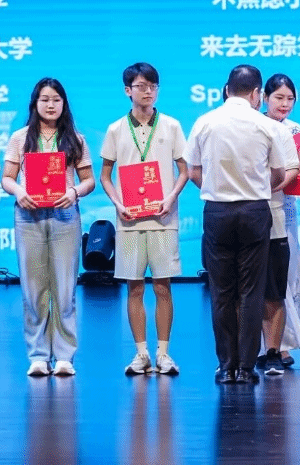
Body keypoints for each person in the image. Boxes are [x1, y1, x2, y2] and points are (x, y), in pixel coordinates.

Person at [187, 64, 290, 385]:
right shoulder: (266, 125)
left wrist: (217, 188)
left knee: (221, 291)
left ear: (227, 90)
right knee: (251, 290)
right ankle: (245, 367)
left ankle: (226, 366)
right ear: (257, 93)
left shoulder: (204, 122)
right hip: (254, 211)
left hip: (217, 211)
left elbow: (193, 171)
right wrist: (253, 187)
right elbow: (278, 173)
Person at [1, 77, 97, 377]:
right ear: (35, 103)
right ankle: (39, 356)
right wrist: (19, 192)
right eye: (45, 99)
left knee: (65, 288)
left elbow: (89, 181)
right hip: (28, 217)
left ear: (64, 104)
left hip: (64, 217)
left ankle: (65, 356)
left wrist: (74, 192)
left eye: (56, 99)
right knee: (33, 289)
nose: (51, 105)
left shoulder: (75, 139)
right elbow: (7, 178)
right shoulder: (20, 138)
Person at [98, 62, 189, 376]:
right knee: (134, 289)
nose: (148, 91)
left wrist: (170, 197)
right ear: (128, 90)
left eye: (152, 86)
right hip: (129, 221)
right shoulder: (115, 129)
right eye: (141, 86)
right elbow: (105, 175)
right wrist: (118, 203)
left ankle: (164, 353)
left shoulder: (172, 126)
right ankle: (141, 354)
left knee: (163, 287)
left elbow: (185, 170)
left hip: (163, 218)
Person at [256, 73, 300, 375]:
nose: (285, 104)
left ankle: (283, 343)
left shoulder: (296, 130)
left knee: (285, 275)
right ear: (264, 97)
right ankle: (258, 344)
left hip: (283, 208)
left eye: (290, 98)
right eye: (279, 97)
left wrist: (272, 187)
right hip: (252, 206)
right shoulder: (253, 124)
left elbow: (296, 171)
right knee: (255, 276)